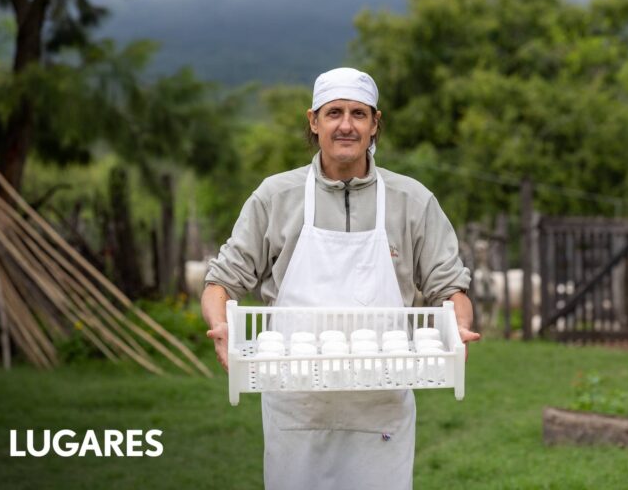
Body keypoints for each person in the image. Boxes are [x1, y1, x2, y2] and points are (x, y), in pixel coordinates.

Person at [202, 67, 479, 490]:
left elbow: (449, 286)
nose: (346, 125)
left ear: (375, 124)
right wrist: (221, 325)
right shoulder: (277, 196)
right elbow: (221, 281)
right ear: (314, 122)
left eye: (358, 113)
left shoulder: (412, 200)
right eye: (334, 113)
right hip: (297, 401)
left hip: (381, 399)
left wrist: (458, 325)